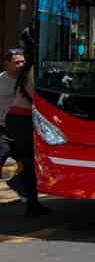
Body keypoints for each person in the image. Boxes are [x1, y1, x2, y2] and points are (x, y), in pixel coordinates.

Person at [4, 55, 49, 217]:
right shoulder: (32, 70)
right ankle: (29, 200)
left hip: (18, 119)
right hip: (22, 120)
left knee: (28, 162)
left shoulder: (27, 70)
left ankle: (32, 202)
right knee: (29, 163)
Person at [1, 48, 27, 200]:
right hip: (2, 128)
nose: (21, 65)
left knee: (24, 162)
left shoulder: (28, 79)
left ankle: (20, 188)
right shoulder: (1, 81)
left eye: (23, 61)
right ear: (7, 64)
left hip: (22, 129)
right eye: (17, 62)